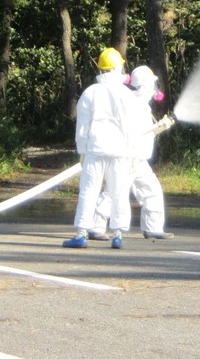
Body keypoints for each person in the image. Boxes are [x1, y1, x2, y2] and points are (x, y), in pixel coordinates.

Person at [63, 47, 135, 249]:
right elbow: (133, 127)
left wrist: (82, 152)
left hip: (95, 149)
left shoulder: (90, 93)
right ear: (118, 67)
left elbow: (83, 127)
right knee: (119, 192)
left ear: (102, 68)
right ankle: (118, 235)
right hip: (121, 151)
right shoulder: (127, 95)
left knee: (89, 190)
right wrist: (133, 154)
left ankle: (81, 234)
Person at [88, 65, 171, 241]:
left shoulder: (141, 105)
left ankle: (153, 227)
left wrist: (158, 127)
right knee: (113, 192)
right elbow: (134, 133)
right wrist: (157, 128)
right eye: (151, 85)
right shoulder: (131, 103)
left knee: (151, 190)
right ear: (144, 85)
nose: (154, 89)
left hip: (138, 159)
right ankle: (95, 226)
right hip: (125, 158)